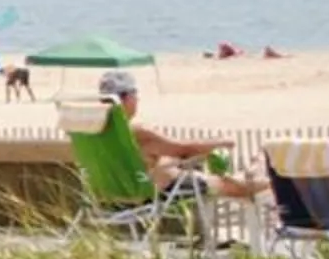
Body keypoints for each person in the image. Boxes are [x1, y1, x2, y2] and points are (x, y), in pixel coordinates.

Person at [98, 71, 257, 199]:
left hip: (110, 198)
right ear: (126, 98)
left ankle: (257, 172)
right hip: (151, 193)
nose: (137, 99)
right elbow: (184, 150)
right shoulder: (136, 132)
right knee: (233, 186)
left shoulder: (93, 133)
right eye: (135, 94)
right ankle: (265, 179)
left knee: (184, 168)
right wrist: (221, 142)